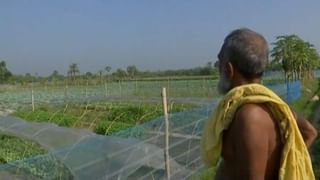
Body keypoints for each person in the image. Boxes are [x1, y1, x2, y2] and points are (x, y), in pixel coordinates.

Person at [201, 28, 318, 180]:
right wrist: (285, 165)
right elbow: (309, 132)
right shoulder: (270, 103)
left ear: (229, 69)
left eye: (219, 62)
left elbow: (309, 133)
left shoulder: (250, 117)